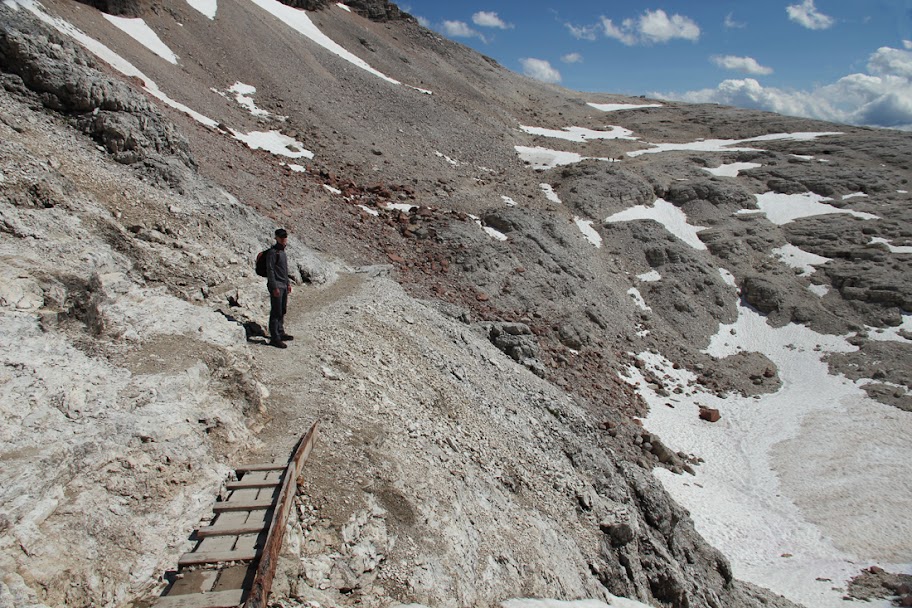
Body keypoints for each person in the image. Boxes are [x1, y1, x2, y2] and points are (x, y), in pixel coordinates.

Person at [266, 228, 293, 348]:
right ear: (276, 238)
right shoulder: (273, 252)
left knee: (282, 310)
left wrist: (287, 283)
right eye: (281, 237)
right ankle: (274, 337)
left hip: (283, 285)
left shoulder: (282, 252)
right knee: (276, 311)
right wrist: (274, 286)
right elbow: (270, 270)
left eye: (285, 237)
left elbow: (284, 271)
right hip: (276, 286)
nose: (283, 239)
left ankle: (280, 332)